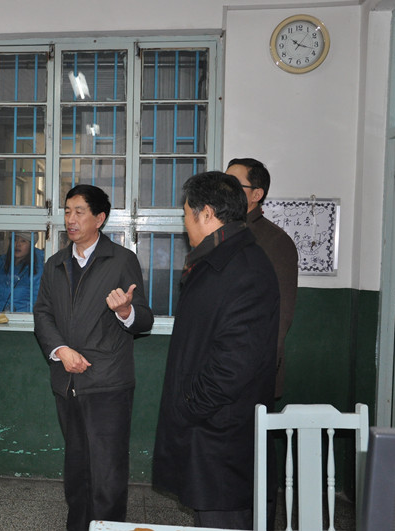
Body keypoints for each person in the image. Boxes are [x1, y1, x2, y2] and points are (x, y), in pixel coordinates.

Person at [152, 171, 279, 530]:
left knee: (225, 519)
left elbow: (234, 363)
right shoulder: (218, 261)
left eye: (186, 215)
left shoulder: (244, 269)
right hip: (210, 432)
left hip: (222, 440)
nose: (184, 224)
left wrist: (190, 403)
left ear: (206, 213)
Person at [33, 184, 153, 531]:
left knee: (107, 473)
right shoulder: (55, 263)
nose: (70, 219)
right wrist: (60, 350)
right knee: (77, 468)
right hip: (67, 380)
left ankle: (108, 527)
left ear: (99, 218)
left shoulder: (121, 260)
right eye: (67, 211)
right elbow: (42, 314)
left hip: (107, 383)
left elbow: (144, 319)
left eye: (79, 212)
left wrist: (126, 311)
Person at [225, 158, 298, 399]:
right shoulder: (220, 234)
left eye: (234, 184)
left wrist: (257, 369)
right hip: (217, 368)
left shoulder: (276, 242)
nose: (225, 190)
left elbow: (281, 315)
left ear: (256, 194)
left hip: (252, 370)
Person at [0, 231, 44, 312]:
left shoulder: (39, 267)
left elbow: (38, 300)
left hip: (24, 318)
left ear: (32, 245)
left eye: (23, 241)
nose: (17, 244)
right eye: (14, 240)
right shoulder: (0, 263)